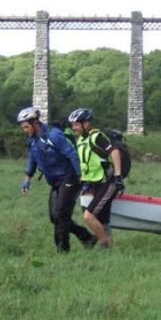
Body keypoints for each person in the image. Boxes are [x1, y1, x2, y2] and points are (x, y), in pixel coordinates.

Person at [17, 106, 96, 252]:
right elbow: (32, 158)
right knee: (55, 217)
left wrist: (81, 177)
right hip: (55, 182)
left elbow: (72, 154)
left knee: (61, 215)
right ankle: (86, 237)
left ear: (35, 123)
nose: (25, 130)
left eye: (26, 127)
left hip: (70, 177)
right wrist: (27, 179)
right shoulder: (32, 140)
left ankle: (62, 251)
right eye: (23, 128)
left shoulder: (54, 135)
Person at [68, 107, 125, 248]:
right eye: (72, 125)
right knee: (101, 218)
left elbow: (115, 151)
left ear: (85, 123)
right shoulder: (81, 139)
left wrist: (118, 176)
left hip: (107, 183)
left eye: (76, 124)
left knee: (88, 216)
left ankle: (104, 244)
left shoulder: (96, 136)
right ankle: (109, 246)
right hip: (91, 183)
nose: (73, 128)